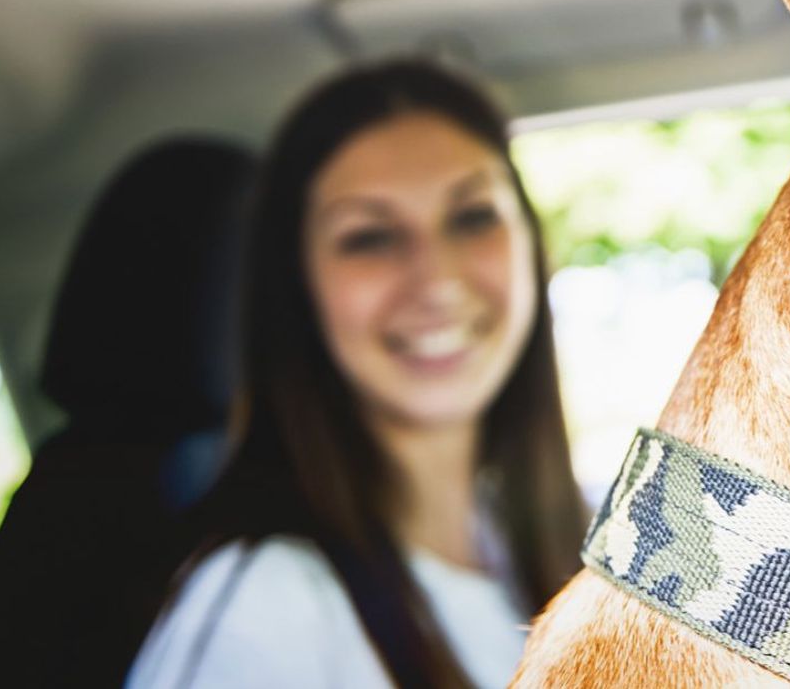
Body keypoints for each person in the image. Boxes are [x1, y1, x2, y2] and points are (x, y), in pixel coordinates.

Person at [128, 59, 585, 689]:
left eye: (473, 216)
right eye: (369, 237)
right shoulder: (266, 603)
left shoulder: (579, 545)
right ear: (299, 290)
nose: (438, 282)